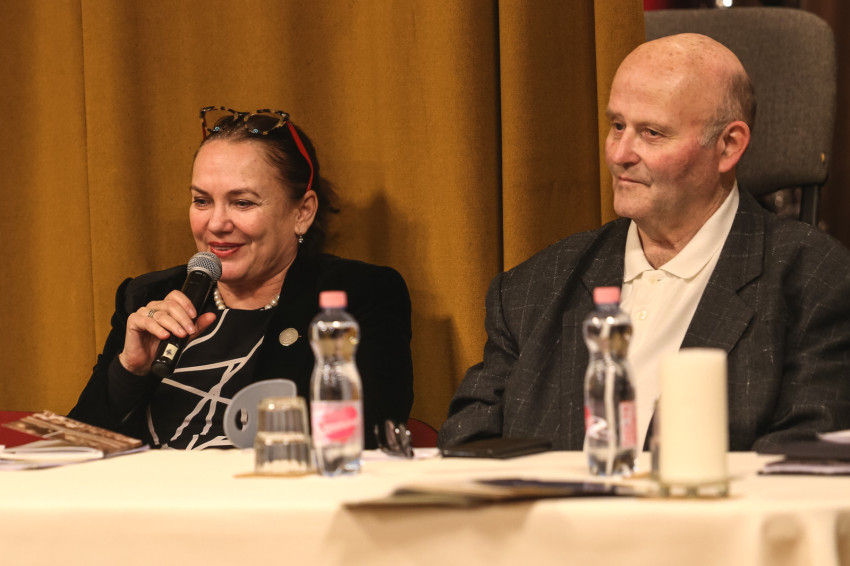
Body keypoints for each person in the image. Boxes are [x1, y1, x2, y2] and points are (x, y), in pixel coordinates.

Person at [438, 34, 850, 452]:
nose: (620, 154)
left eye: (652, 133)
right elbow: (466, 448)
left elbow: (803, 465)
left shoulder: (813, 282)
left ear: (728, 146)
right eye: (617, 126)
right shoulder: (533, 290)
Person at [70, 107, 414, 450]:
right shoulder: (148, 297)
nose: (216, 224)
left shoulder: (357, 296)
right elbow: (75, 450)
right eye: (202, 201)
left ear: (302, 212)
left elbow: (367, 440)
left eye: (243, 203)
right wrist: (129, 370)